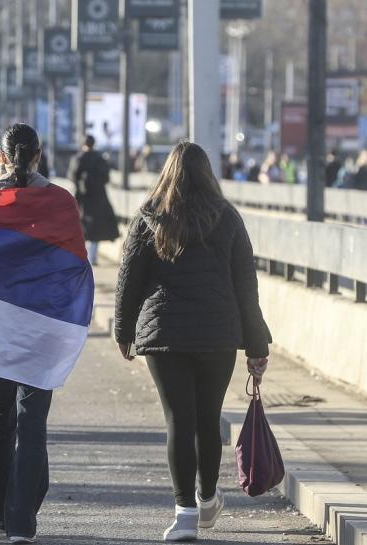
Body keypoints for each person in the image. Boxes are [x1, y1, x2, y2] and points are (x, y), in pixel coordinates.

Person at [113, 141, 271, 542]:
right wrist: (256, 345)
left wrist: (123, 330)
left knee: (178, 420)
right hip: (217, 335)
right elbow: (245, 288)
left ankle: (185, 513)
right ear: (207, 173)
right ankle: (205, 499)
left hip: (164, 334)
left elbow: (128, 280)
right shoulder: (228, 218)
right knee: (207, 420)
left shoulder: (150, 218)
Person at [0, 124, 55, 544]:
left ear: (1, 156)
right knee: (32, 418)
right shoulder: (57, 202)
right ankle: (22, 517)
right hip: (42, 322)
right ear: (38, 156)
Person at [67, 135, 119, 267]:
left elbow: (72, 176)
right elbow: (106, 178)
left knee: (80, 226)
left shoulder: (78, 158)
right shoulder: (99, 158)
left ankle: (81, 256)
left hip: (82, 197)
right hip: (98, 197)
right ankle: (93, 257)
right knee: (96, 228)